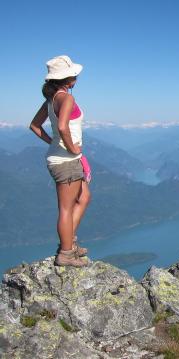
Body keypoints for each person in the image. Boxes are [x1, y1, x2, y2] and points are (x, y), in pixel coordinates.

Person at [29, 55, 91, 267]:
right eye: (74, 74)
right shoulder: (67, 98)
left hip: (61, 158)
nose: (76, 77)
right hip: (66, 161)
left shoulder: (50, 100)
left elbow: (35, 126)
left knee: (84, 197)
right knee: (66, 208)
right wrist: (72, 147)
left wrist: (53, 143)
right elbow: (63, 127)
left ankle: (69, 241)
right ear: (68, 79)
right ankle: (66, 253)